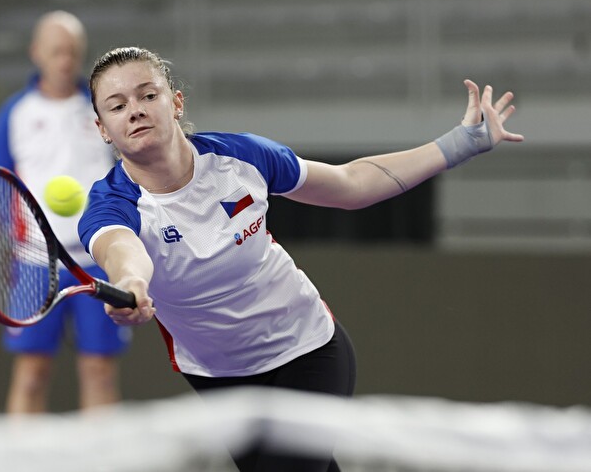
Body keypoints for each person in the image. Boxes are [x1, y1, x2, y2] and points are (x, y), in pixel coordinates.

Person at [78, 46, 524, 470]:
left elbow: (352, 183)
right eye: (117, 106)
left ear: (175, 103)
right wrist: (132, 284)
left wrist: (459, 144)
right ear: (102, 129)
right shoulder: (110, 204)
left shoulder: (242, 158)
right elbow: (122, 250)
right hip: (218, 377)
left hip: (305, 347)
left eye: (147, 95)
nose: (135, 110)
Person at [0, 12, 131, 414]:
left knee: (100, 372)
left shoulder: (103, 107)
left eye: (72, 51)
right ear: (36, 53)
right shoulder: (14, 113)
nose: (65, 60)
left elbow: (127, 172)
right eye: (56, 51)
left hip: (97, 261)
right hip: (36, 263)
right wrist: (15, 238)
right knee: (31, 373)